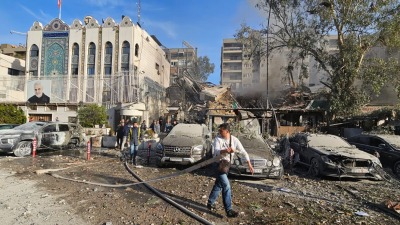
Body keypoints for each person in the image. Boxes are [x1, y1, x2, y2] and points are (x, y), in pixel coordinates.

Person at [207, 123, 254, 218]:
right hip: (218, 165)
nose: (219, 132)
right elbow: (215, 151)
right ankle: (229, 210)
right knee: (226, 186)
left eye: (221, 131)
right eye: (219, 131)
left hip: (226, 165)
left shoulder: (234, 140)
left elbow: (243, 152)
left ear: (227, 131)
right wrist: (225, 150)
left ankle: (210, 202)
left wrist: (249, 164)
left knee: (219, 184)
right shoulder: (218, 139)